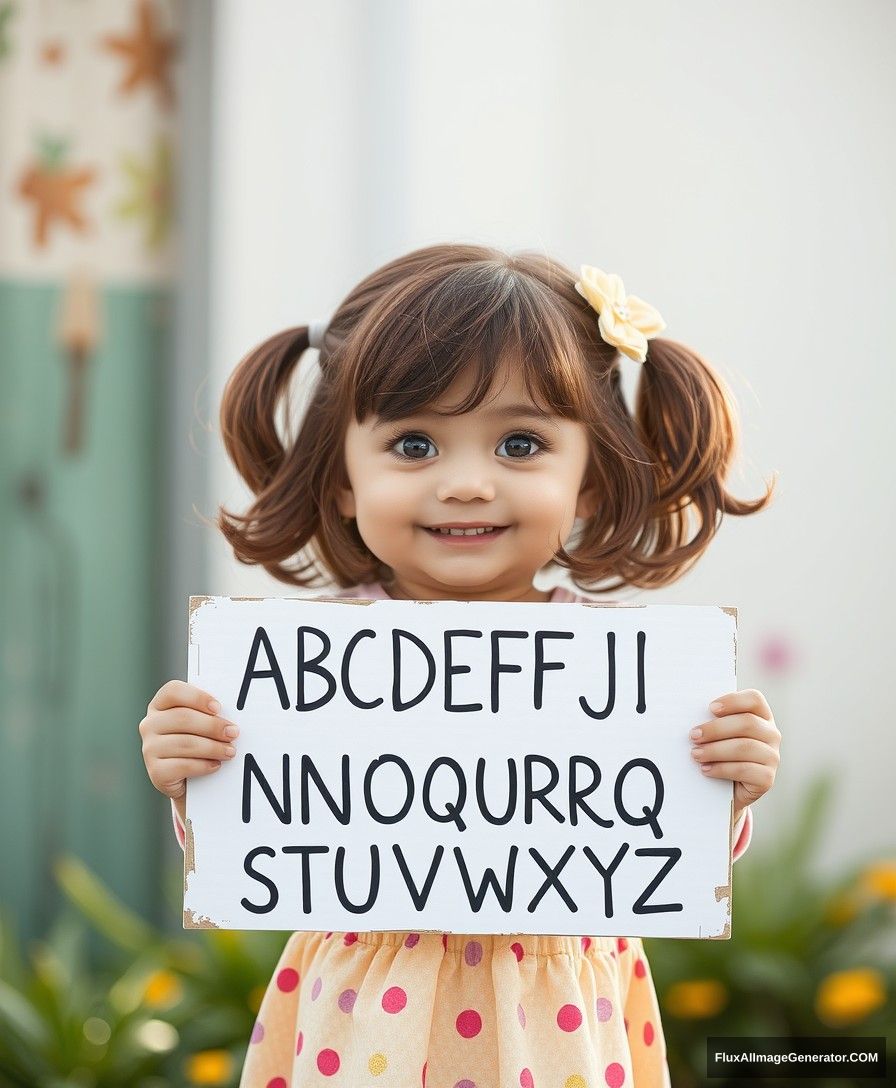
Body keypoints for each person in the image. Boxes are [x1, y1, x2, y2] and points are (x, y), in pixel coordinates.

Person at [139, 244, 782, 1087]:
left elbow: (650, 848)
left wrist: (728, 784)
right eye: (413, 446)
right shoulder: (303, 664)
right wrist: (194, 775)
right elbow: (271, 835)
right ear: (341, 476)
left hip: (559, 1017)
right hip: (360, 1013)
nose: (469, 483)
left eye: (520, 443)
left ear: (590, 478)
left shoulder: (631, 672)